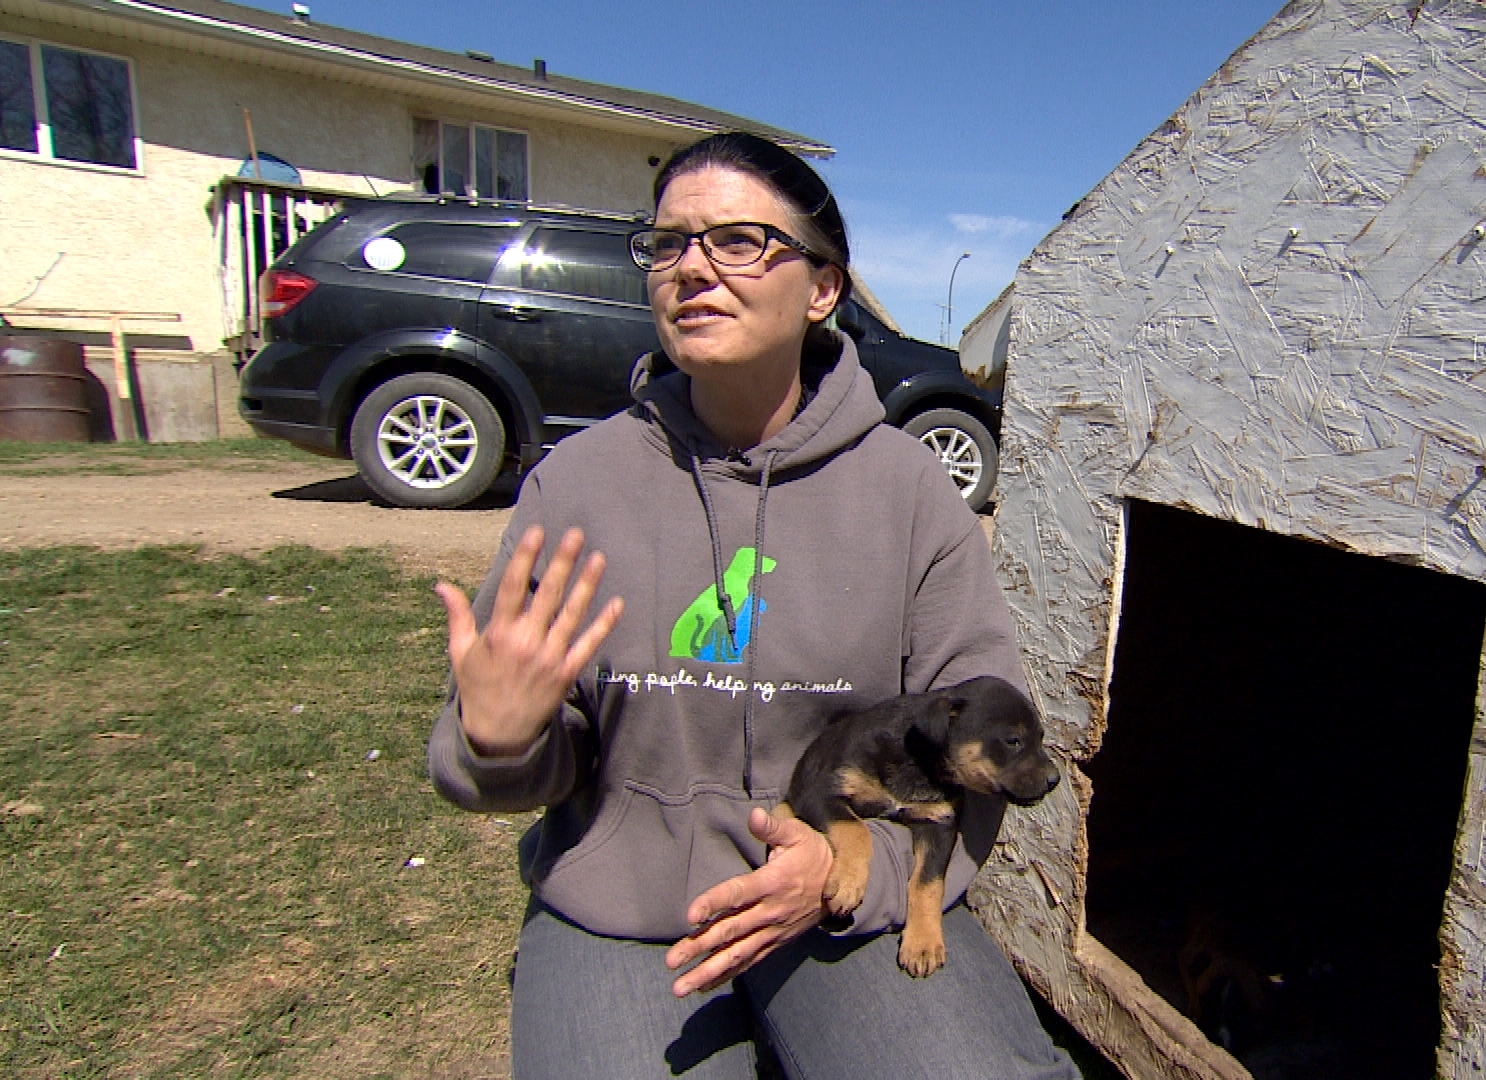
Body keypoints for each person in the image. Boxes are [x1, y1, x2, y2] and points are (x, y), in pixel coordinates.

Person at [428, 131, 1080, 1080]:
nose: (691, 266)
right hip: (629, 906)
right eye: (668, 242)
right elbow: (504, 764)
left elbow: (986, 741)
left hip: (844, 882)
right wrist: (498, 741)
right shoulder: (577, 485)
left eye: (736, 240)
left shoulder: (909, 492)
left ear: (822, 290)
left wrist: (867, 874)